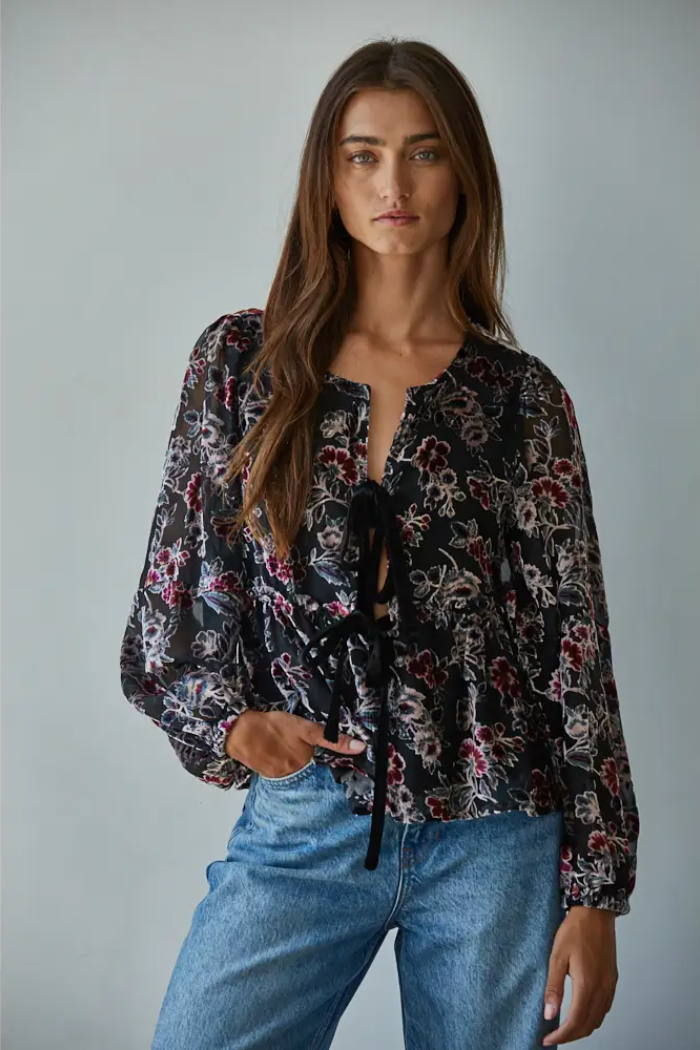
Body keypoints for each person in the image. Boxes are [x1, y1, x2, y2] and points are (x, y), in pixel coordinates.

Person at [119, 36, 640, 1050]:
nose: (392, 184)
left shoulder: (522, 401)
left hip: (496, 833)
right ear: (328, 177)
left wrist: (596, 892)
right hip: (309, 818)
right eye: (362, 155)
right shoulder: (244, 366)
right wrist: (231, 725)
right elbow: (172, 599)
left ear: (463, 175)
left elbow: (573, 650)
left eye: (423, 152)